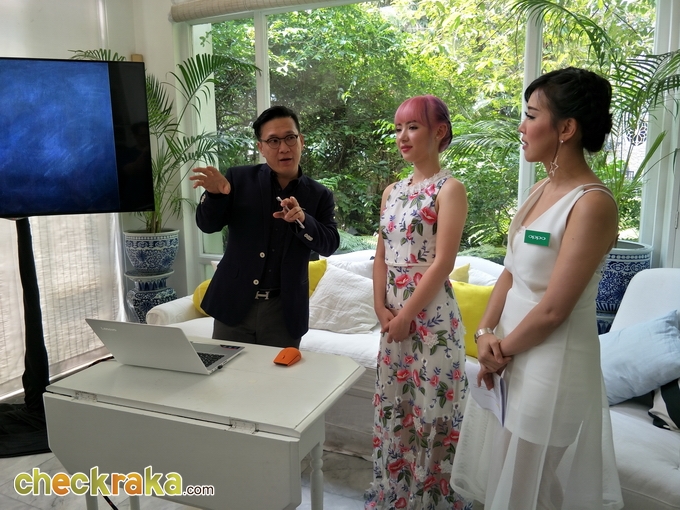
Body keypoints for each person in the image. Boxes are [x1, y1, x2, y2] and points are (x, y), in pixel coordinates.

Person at [450, 67, 624, 509]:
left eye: (530, 116)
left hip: (552, 367)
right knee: (520, 486)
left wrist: (499, 350)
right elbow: (510, 272)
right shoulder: (541, 188)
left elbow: (553, 309)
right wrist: (484, 333)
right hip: (512, 354)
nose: (521, 127)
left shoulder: (593, 203)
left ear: (566, 129)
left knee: (523, 490)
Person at [365, 95, 471, 510]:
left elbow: (444, 262)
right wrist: (381, 309)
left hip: (432, 321)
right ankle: (396, 497)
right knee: (396, 408)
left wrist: (405, 315)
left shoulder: (450, 189)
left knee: (431, 413)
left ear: (439, 132)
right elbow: (381, 256)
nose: (402, 136)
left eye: (412, 127)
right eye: (398, 128)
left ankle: (429, 501)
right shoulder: (391, 191)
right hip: (393, 319)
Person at [189, 105, 340, 348]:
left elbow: (330, 244)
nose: (284, 148)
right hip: (234, 303)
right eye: (273, 141)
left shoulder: (319, 195)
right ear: (261, 147)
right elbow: (207, 225)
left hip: (285, 310)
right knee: (228, 371)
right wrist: (215, 196)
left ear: (301, 141)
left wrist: (303, 220)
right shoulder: (238, 179)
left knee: (278, 373)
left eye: (290, 138)